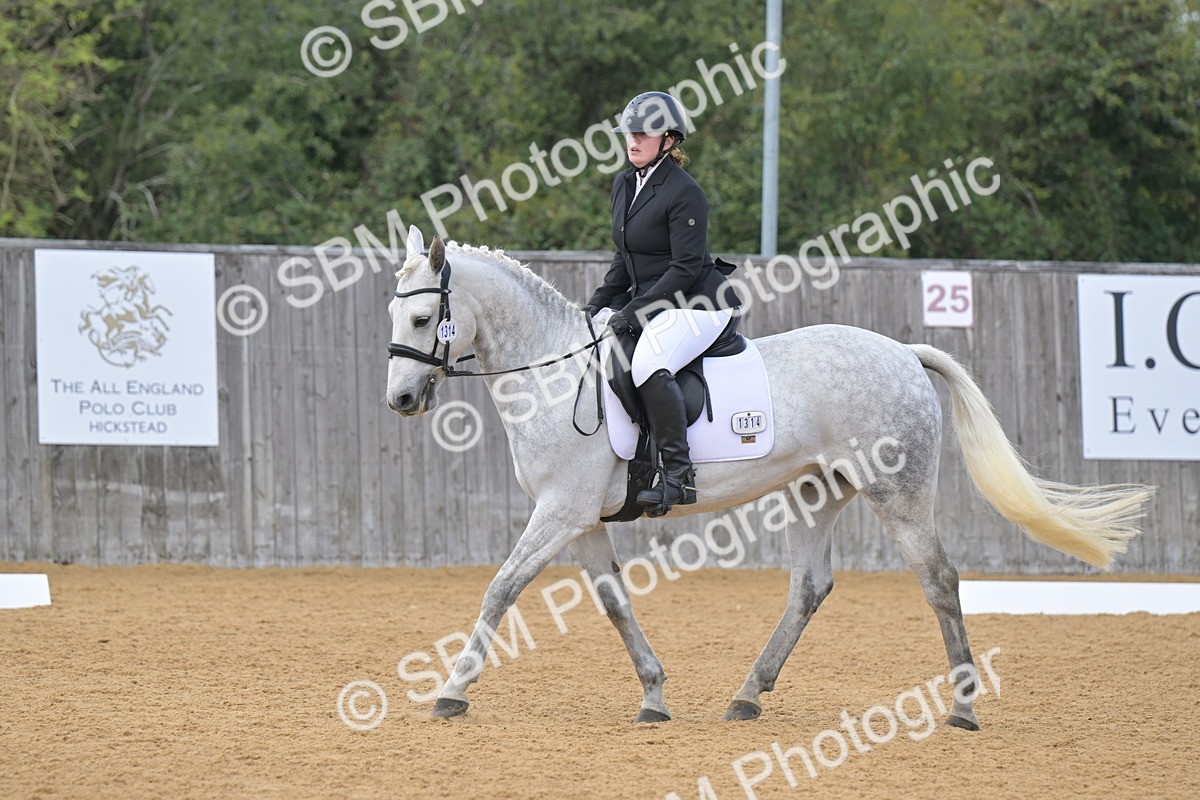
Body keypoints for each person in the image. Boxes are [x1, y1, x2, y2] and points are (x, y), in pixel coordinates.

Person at [582, 91, 740, 515]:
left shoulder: (685, 192)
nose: (632, 141)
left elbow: (686, 268)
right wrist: (596, 304)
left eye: (642, 134)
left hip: (699, 302)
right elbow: (625, 256)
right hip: (658, 301)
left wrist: (633, 312)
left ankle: (678, 474)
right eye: (629, 134)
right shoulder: (623, 184)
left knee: (650, 363)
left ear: (668, 140)